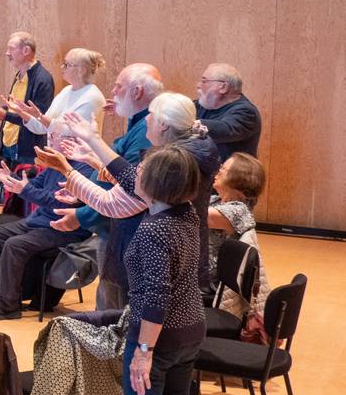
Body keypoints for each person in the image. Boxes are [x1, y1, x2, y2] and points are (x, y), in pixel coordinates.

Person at [91, 145, 205, 395]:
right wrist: (91, 140)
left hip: (158, 338)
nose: (135, 174)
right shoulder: (185, 213)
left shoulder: (155, 230)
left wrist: (143, 352)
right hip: (191, 331)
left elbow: (154, 301)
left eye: (144, 171)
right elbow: (128, 178)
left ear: (155, 186)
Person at [51, 94, 222, 296]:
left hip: (157, 255)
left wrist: (69, 172)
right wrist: (94, 158)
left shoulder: (173, 159)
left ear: (164, 125)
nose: (146, 120)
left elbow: (118, 200)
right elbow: (135, 182)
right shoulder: (190, 147)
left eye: (150, 115)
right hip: (172, 248)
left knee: (133, 317)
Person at [66, 63, 162, 309]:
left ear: (137, 92)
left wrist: (80, 213)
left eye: (119, 86)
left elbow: (126, 187)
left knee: (114, 307)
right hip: (117, 228)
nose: (113, 91)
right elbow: (115, 168)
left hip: (126, 230)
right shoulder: (138, 122)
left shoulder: (146, 131)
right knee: (108, 299)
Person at [0, 149, 96, 321]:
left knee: (14, 245)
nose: (51, 142)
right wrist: (9, 177)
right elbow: (32, 185)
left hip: (63, 229)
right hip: (39, 222)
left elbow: (56, 199)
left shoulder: (84, 170)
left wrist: (25, 189)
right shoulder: (56, 164)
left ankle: (8, 305)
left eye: (56, 136)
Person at [0, 32, 54, 167]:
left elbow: (38, 120)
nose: (7, 53)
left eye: (11, 48)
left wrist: (5, 115)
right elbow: (14, 109)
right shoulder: (19, 75)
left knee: (21, 188)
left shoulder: (43, 79)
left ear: (26, 50)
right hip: (8, 144)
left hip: (27, 152)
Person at [0, 48, 105, 145]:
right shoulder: (66, 91)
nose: (62, 67)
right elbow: (42, 127)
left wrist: (40, 116)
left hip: (81, 162)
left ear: (82, 71)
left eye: (67, 64)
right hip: (58, 157)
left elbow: (70, 130)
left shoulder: (92, 97)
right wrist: (22, 113)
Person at [208, 154, 270, 317]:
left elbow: (197, 215)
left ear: (237, 179)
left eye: (224, 168)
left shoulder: (239, 210)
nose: (218, 171)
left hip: (213, 285)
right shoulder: (216, 201)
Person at [195, 63, 262, 159]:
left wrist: (185, 122)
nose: (199, 85)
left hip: (233, 173)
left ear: (223, 87)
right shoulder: (204, 105)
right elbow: (182, 109)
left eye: (204, 81)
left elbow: (224, 130)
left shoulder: (247, 113)